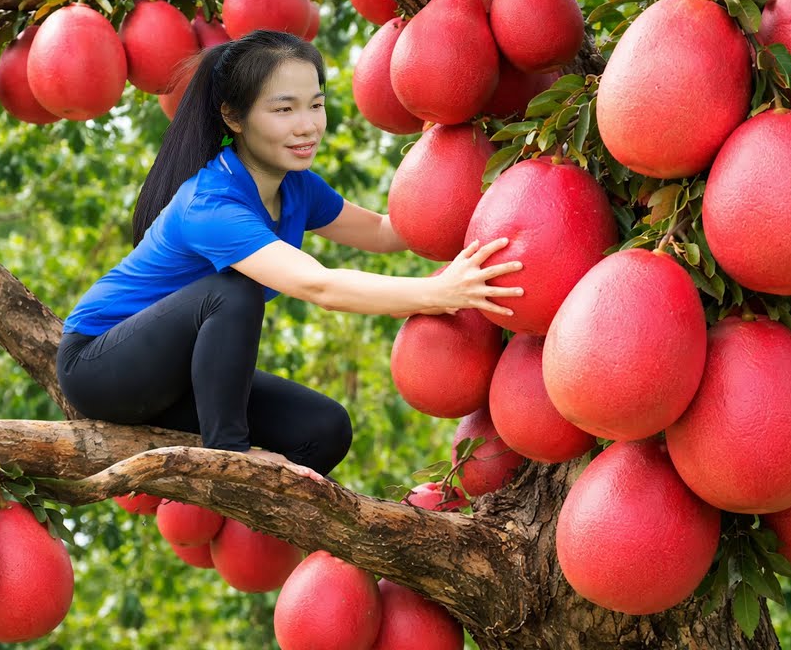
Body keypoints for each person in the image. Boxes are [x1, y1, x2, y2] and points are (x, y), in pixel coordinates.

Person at [56, 30, 523, 481]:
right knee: (232, 292)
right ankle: (229, 457)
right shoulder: (211, 204)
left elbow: (385, 232)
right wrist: (438, 292)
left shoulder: (294, 185)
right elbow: (315, 284)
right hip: (100, 368)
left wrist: (468, 163)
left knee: (324, 430)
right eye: (284, 109)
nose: (308, 125)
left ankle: (250, 491)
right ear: (233, 117)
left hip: (179, 378)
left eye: (316, 105)